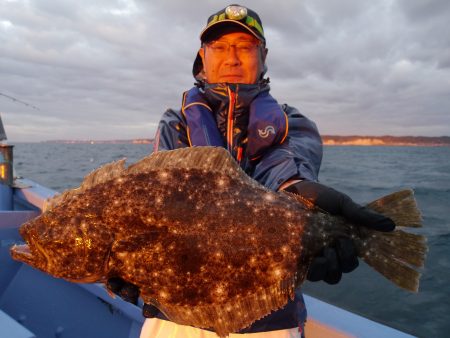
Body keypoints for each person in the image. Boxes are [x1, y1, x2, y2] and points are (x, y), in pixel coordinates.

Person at [109, 4, 395, 337]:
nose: (232, 57)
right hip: (177, 316)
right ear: (202, 56)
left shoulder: (291, 122)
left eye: (245, 47)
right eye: (220, 47)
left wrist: (296, 192)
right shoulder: (178, 121)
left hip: (269, 322)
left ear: (263, 56)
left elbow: (285, 170)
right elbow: (160, 203)